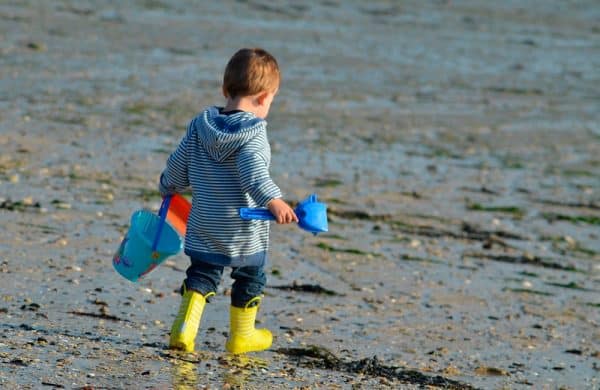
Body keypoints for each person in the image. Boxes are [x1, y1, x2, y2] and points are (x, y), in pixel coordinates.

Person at [158, 48, 298, 354]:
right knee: (250, 275)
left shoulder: (199, 126)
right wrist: (273, 200)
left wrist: (168, 186)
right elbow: (254, 173)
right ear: (263, 98)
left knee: (202, 274)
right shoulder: (253, 134)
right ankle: (242, 336)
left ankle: (184, 328)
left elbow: (179, 165)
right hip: (242, 228)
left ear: (225, 90)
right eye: (272, 100)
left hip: (205, 221)